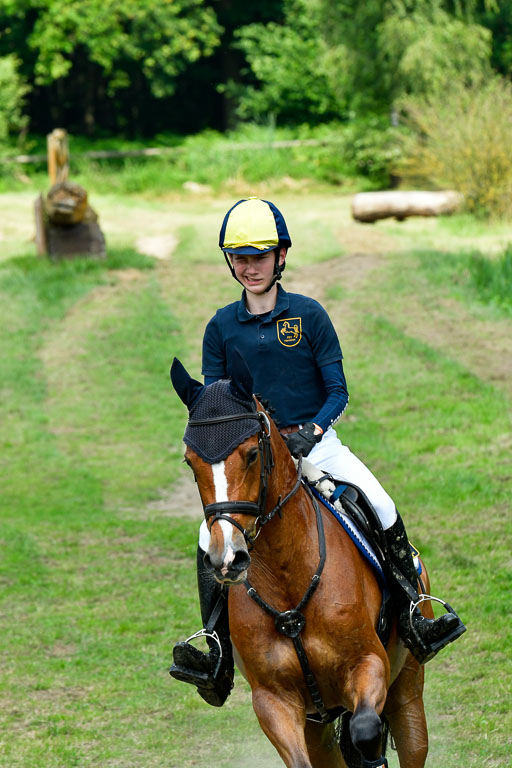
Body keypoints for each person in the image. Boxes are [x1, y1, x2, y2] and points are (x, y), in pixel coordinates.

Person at [170, 197, 465, 706]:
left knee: (382, 504)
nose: (249, 266)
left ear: (281, 256)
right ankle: (216, 648)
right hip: (255, 459)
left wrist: (312, 429)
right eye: (239, 257)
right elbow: (220, 405)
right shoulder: (220, 327)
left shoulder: (309, 315)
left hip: (317, 445)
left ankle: (416, 612)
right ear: (229, 262)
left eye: (259, 255)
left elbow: (338, 390)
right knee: (207, 535)